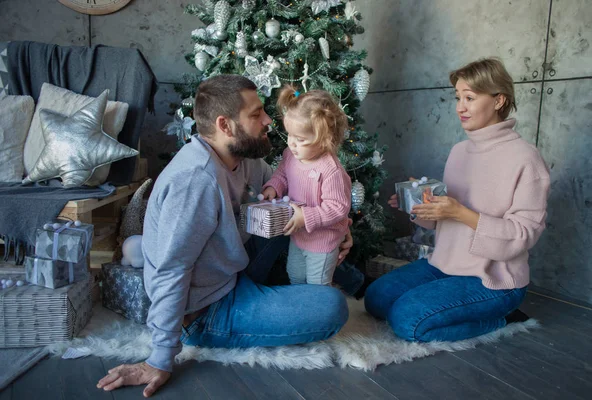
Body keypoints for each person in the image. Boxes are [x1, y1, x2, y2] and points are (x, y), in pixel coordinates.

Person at [97, 75, 351, 397]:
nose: (269, 121)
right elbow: (170, 270)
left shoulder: (241, 159)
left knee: (284, 218)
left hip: (230, 271)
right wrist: (159, 359)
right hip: (206, 309)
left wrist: (340, 228)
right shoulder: (195, 182)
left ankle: (318, 277)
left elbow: (299, 194)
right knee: (331, 306)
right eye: (257, 114)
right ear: (225, 125)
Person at [365, 58, 550, 343]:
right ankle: (448, 302)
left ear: (499, 100)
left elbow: (523, 235)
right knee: (376, 299)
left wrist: (462, 212)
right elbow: (445, 222)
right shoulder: (460, 151)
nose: (460, 107)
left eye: (470, 98)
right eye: (457, 98)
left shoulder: (526, 158)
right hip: (444, 264)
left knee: (407, 321)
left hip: (494, 279)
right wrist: (419, 204)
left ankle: (502, 318)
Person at [262, 86, 352, 285]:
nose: (292, 144)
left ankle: (320, 314)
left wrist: (306, 216)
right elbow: (283, 174)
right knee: (295, 276)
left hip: (323, 241)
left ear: (324, 140)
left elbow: (338, 208)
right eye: (290, 135)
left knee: (317, 284)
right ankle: (302, 312)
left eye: (300, 139)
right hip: (298, 236)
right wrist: (274, 187)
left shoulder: (331, 170)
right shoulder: (290, 155)